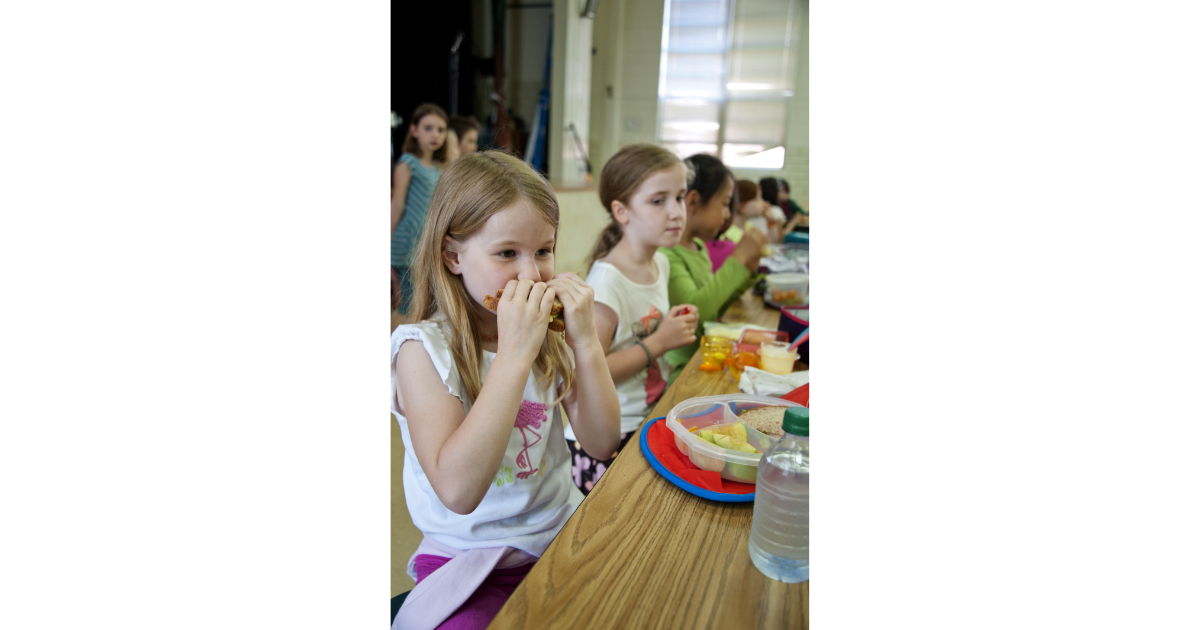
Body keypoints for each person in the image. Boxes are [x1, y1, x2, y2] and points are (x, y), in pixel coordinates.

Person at [390, 151, 621, 630]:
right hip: (465, 557)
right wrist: (515, 354)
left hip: (559, 533)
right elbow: (458, 491)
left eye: (543, 251)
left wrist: (584, 341)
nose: (531, 275)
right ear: (453, 256)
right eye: (506, 253)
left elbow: (602, 442)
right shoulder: (421, 350)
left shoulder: (546, 335)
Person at [572, 144, 700, 493]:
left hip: (651, 414)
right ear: (621, 211)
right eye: (658, 201)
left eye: (680, 197)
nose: (676, 212)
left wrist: (669, 325)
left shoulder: (660, 262)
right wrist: (660, 341)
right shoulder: (607, 282)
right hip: (611, 435)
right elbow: (587, 372)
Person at [660, 154, 768, 382]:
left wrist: (747, 272)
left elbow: (713, 312)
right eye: (725, 203)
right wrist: (737, 258)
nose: (727, 214)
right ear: (694, 201)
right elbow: (697, 313)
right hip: (680, 372)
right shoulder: (667, 254)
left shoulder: (699, 247)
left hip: (705, 359)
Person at [392, 103, 450, 315]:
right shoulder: (408, 163)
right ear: (414, 130)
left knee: (422, 300)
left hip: (424, 242)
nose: (435, 134)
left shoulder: (437, 169)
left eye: (441, 130)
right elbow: (397, 204)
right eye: (428, 128)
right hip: (406, 242)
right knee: (408, 303)